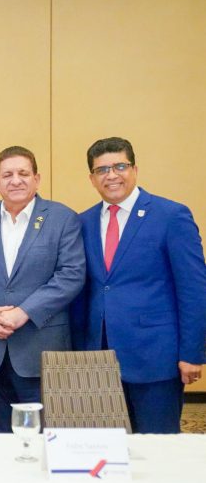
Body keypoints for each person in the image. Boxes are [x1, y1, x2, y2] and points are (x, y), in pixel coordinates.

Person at [71, 137, 206, 433]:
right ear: (92, 178)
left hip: (155, 357)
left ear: (135, 169)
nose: (111, 175)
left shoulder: (171, 216)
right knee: (106, 448)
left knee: (157, 447)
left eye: (120, 166)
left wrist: (192, 353)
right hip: (99, 358)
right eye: (102, 169)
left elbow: (194, 289)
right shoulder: (83, 222)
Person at [0, 146, 85, 433]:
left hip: (40, 348)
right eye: (7, 174)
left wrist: (25, 312)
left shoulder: (62, 218)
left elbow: (71, 275)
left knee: (44, 437)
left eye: (23, 173)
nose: (16, 180)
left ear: (37, 179)